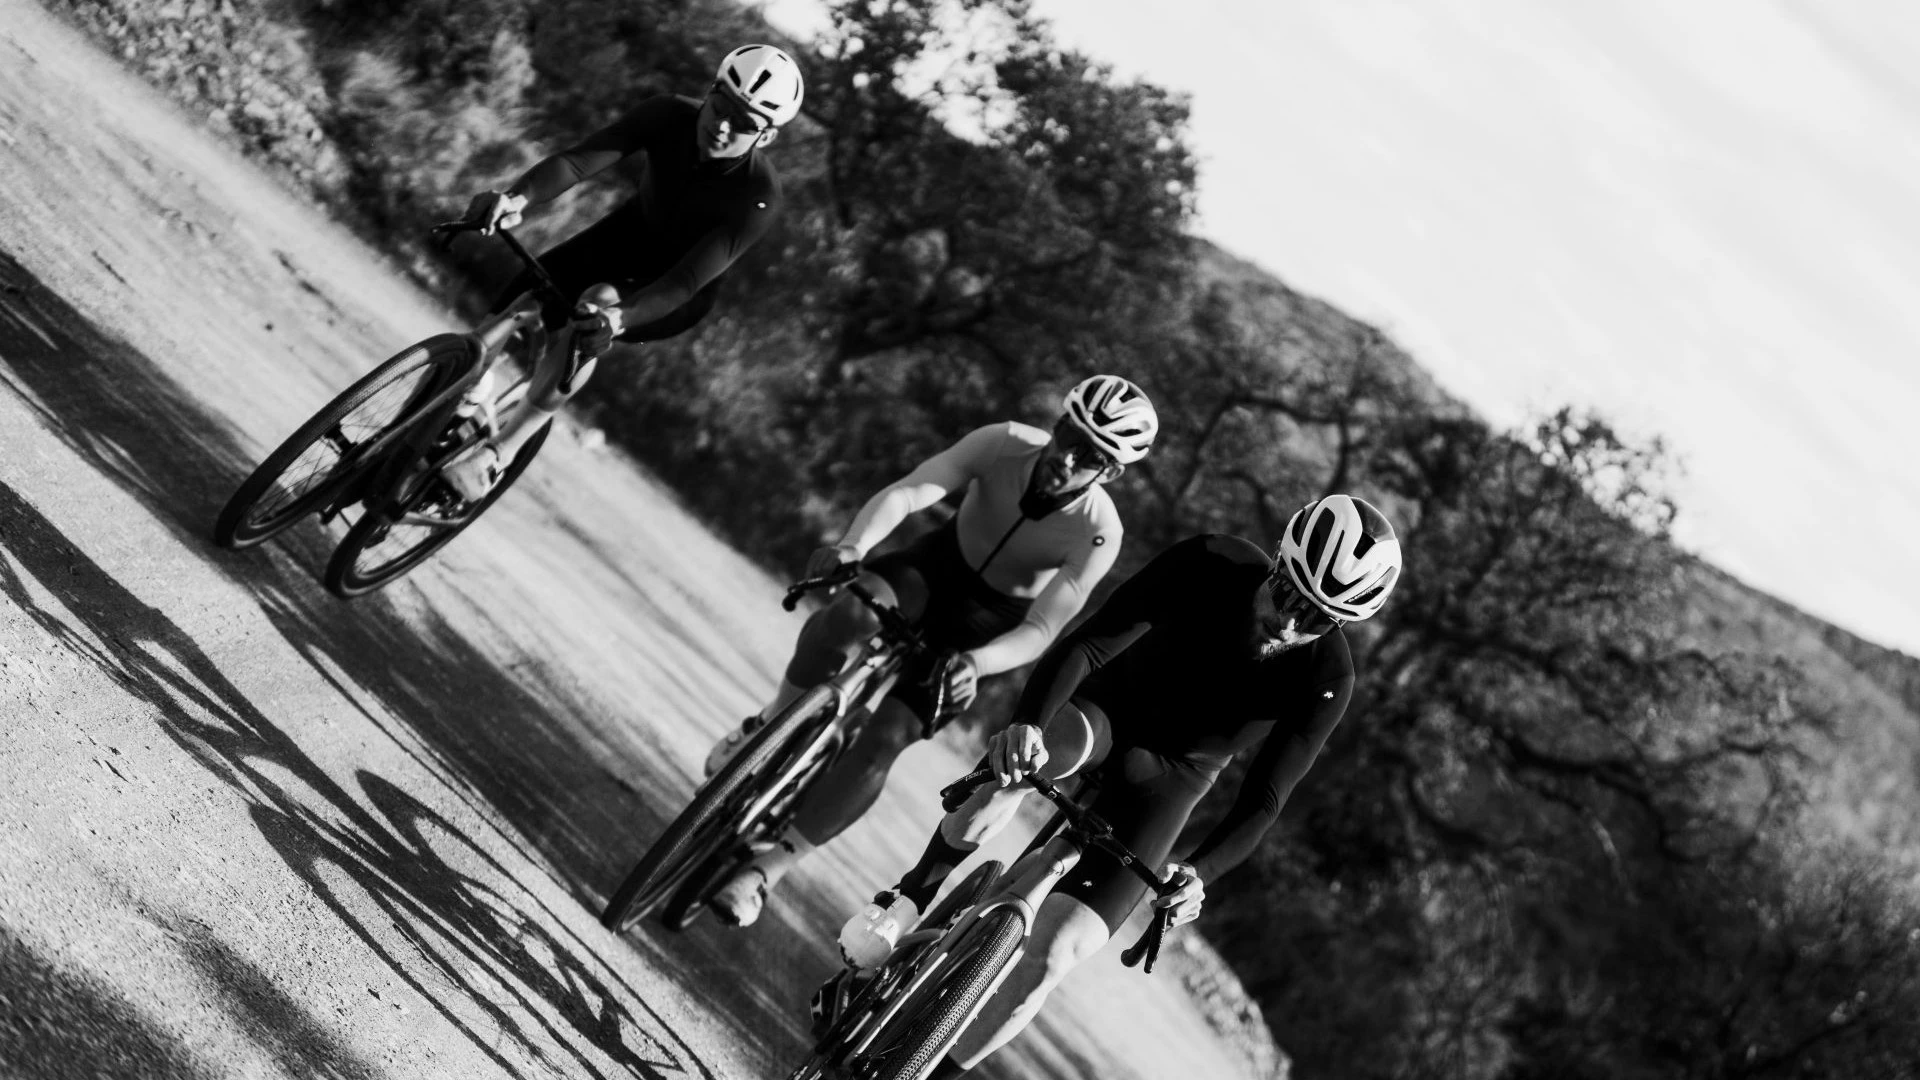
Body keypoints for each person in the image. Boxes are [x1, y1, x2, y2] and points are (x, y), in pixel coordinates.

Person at [835, 494, 1404, 1080]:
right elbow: (1089, 643)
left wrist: (1200, 874)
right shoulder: (1212, 562)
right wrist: (1028, 724)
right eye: (1287, 595)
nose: (1289, 623)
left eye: (1316, 619)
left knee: (1055, 956)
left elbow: (1265, 797)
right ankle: (907, 902)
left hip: (1176, 776)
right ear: (1278, 562)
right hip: (1109, 711)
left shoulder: (1329, 677)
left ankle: (926, 1073)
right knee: (1022, 766)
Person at [703, 376, 1161, 927]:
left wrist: (977, 663)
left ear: (1110, 473)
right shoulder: (1005, 441)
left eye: (1089, 456)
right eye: (1068, 435)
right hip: (930, 570)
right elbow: (913, 490)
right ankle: (768, 728)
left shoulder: (1098, 531)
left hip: (983, 626)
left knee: (886, 738)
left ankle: (766, 870)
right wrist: (853, 546)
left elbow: (1043, 628)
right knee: (846, 615)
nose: (1066, 457)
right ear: (1057, 423)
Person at [441, 43, 805, 501]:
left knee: (593, 310)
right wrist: (515, 198)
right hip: (625, 237)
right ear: (710, 91)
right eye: (721, 106)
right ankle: (462, 398)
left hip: (676, 286)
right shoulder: (668, 114)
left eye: (745, 123)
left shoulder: (758, 197)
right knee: (513, 310)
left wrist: (618, 320)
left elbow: (686, 281)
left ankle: (499, 454)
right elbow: (578, 161)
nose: (723, 125)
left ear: (766, 137)